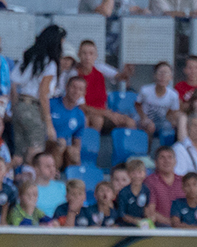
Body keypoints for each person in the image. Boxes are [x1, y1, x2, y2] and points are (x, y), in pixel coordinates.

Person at [12, 26, 63, 160]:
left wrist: (14, 106)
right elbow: (43, 94)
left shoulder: (28, 57)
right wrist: (49, 123)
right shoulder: (50, 64)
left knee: (20, 151)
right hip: (33, 107)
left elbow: (13, 83)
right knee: (35, 148)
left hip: (20, 105)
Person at [75, 40, 134, 133]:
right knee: (97, 120)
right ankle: (91, 146)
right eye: (84, 53)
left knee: (130, 123)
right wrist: (106, 113)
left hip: (103, 112)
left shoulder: (100, 68)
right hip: (86, 112)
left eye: (91, 54)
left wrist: (127, 71)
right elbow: (81, 106)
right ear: (78, 55)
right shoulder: (74, 74)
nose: (87, 57)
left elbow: (121, 77)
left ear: (96, 56)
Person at [136, 62, 181, 141]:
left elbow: (174, 112)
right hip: (145, 118)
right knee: (148, 127)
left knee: (170, 128)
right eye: (160, 73)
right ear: (155, 75)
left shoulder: (173, 95)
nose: (162, 76)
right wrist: (144, 118)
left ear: (171, 77)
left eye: (166, 73)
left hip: (162, 121)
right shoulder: (145, 90)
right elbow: (137, 105)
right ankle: (147, 151)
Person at [49, 76, 87, 168]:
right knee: (61, 142)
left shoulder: (80, 115)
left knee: (73, 151)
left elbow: (77, 143)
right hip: (46, 144)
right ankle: (53, 176)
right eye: (74, 87)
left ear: (84, 93)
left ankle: (73, 179)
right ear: (66, 87)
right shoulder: (51, 104)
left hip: (62, 150)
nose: (76, 92)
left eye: (80, 89)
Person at [144, 146, 184, 227]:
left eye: (170, 157)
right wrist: (173, 224)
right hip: (161, 227)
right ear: (155, 162)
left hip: (184, 227)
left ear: (175, 161)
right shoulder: (150, 181)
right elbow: (150, 211)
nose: (167, 161)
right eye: (162, 158)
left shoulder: (183, 181)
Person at [116, 158, 153, 227]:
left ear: (145, 173)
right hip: (125, 227)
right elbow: (122, 214)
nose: (137, 176)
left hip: (142, 226)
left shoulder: (146, 190)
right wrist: (135, 221)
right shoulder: (124, 192)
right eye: (133, 173)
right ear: (128, 174)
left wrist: (149, 218)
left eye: (140, 172)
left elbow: (146, 208)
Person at [31, 151, 66, 216]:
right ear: (36, 169)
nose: (52, 169)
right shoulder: (29, 189)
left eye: (53, 166)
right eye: (47, 166)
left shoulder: (62, 186)